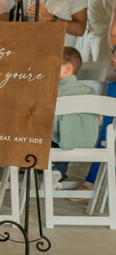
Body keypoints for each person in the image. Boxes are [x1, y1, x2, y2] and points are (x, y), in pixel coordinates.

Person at [53, 46, 99, 187]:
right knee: (67, 128)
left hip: (60, 145)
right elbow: (97, 118)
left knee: (52, 129)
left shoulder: (54, 91)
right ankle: (57, 171)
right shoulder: (91, 91)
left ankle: (55, 169)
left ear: (67, 69)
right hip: (88, 143)